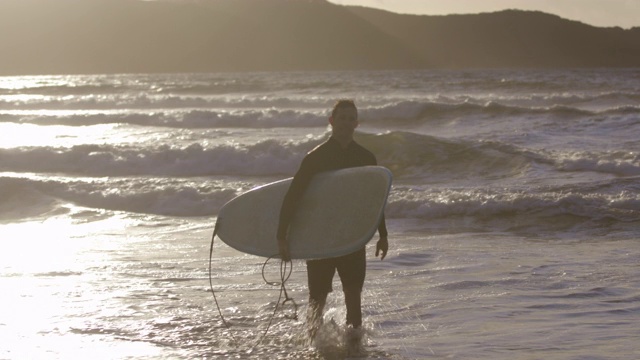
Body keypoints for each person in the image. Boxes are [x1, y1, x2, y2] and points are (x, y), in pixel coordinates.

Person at [276, 99, 388, 353]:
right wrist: (282, 235)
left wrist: (382, 234)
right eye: (342, 118)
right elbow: (294, 196)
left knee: (353, 295)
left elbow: (374, 200)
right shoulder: (315, 158)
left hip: (352, 237)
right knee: (317, 298)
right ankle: (312, 348)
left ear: (356, 124)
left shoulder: (365, 157)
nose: (346, 123)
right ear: (331, 121)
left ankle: (354, 350)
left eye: (351, 119)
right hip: (322, 238)